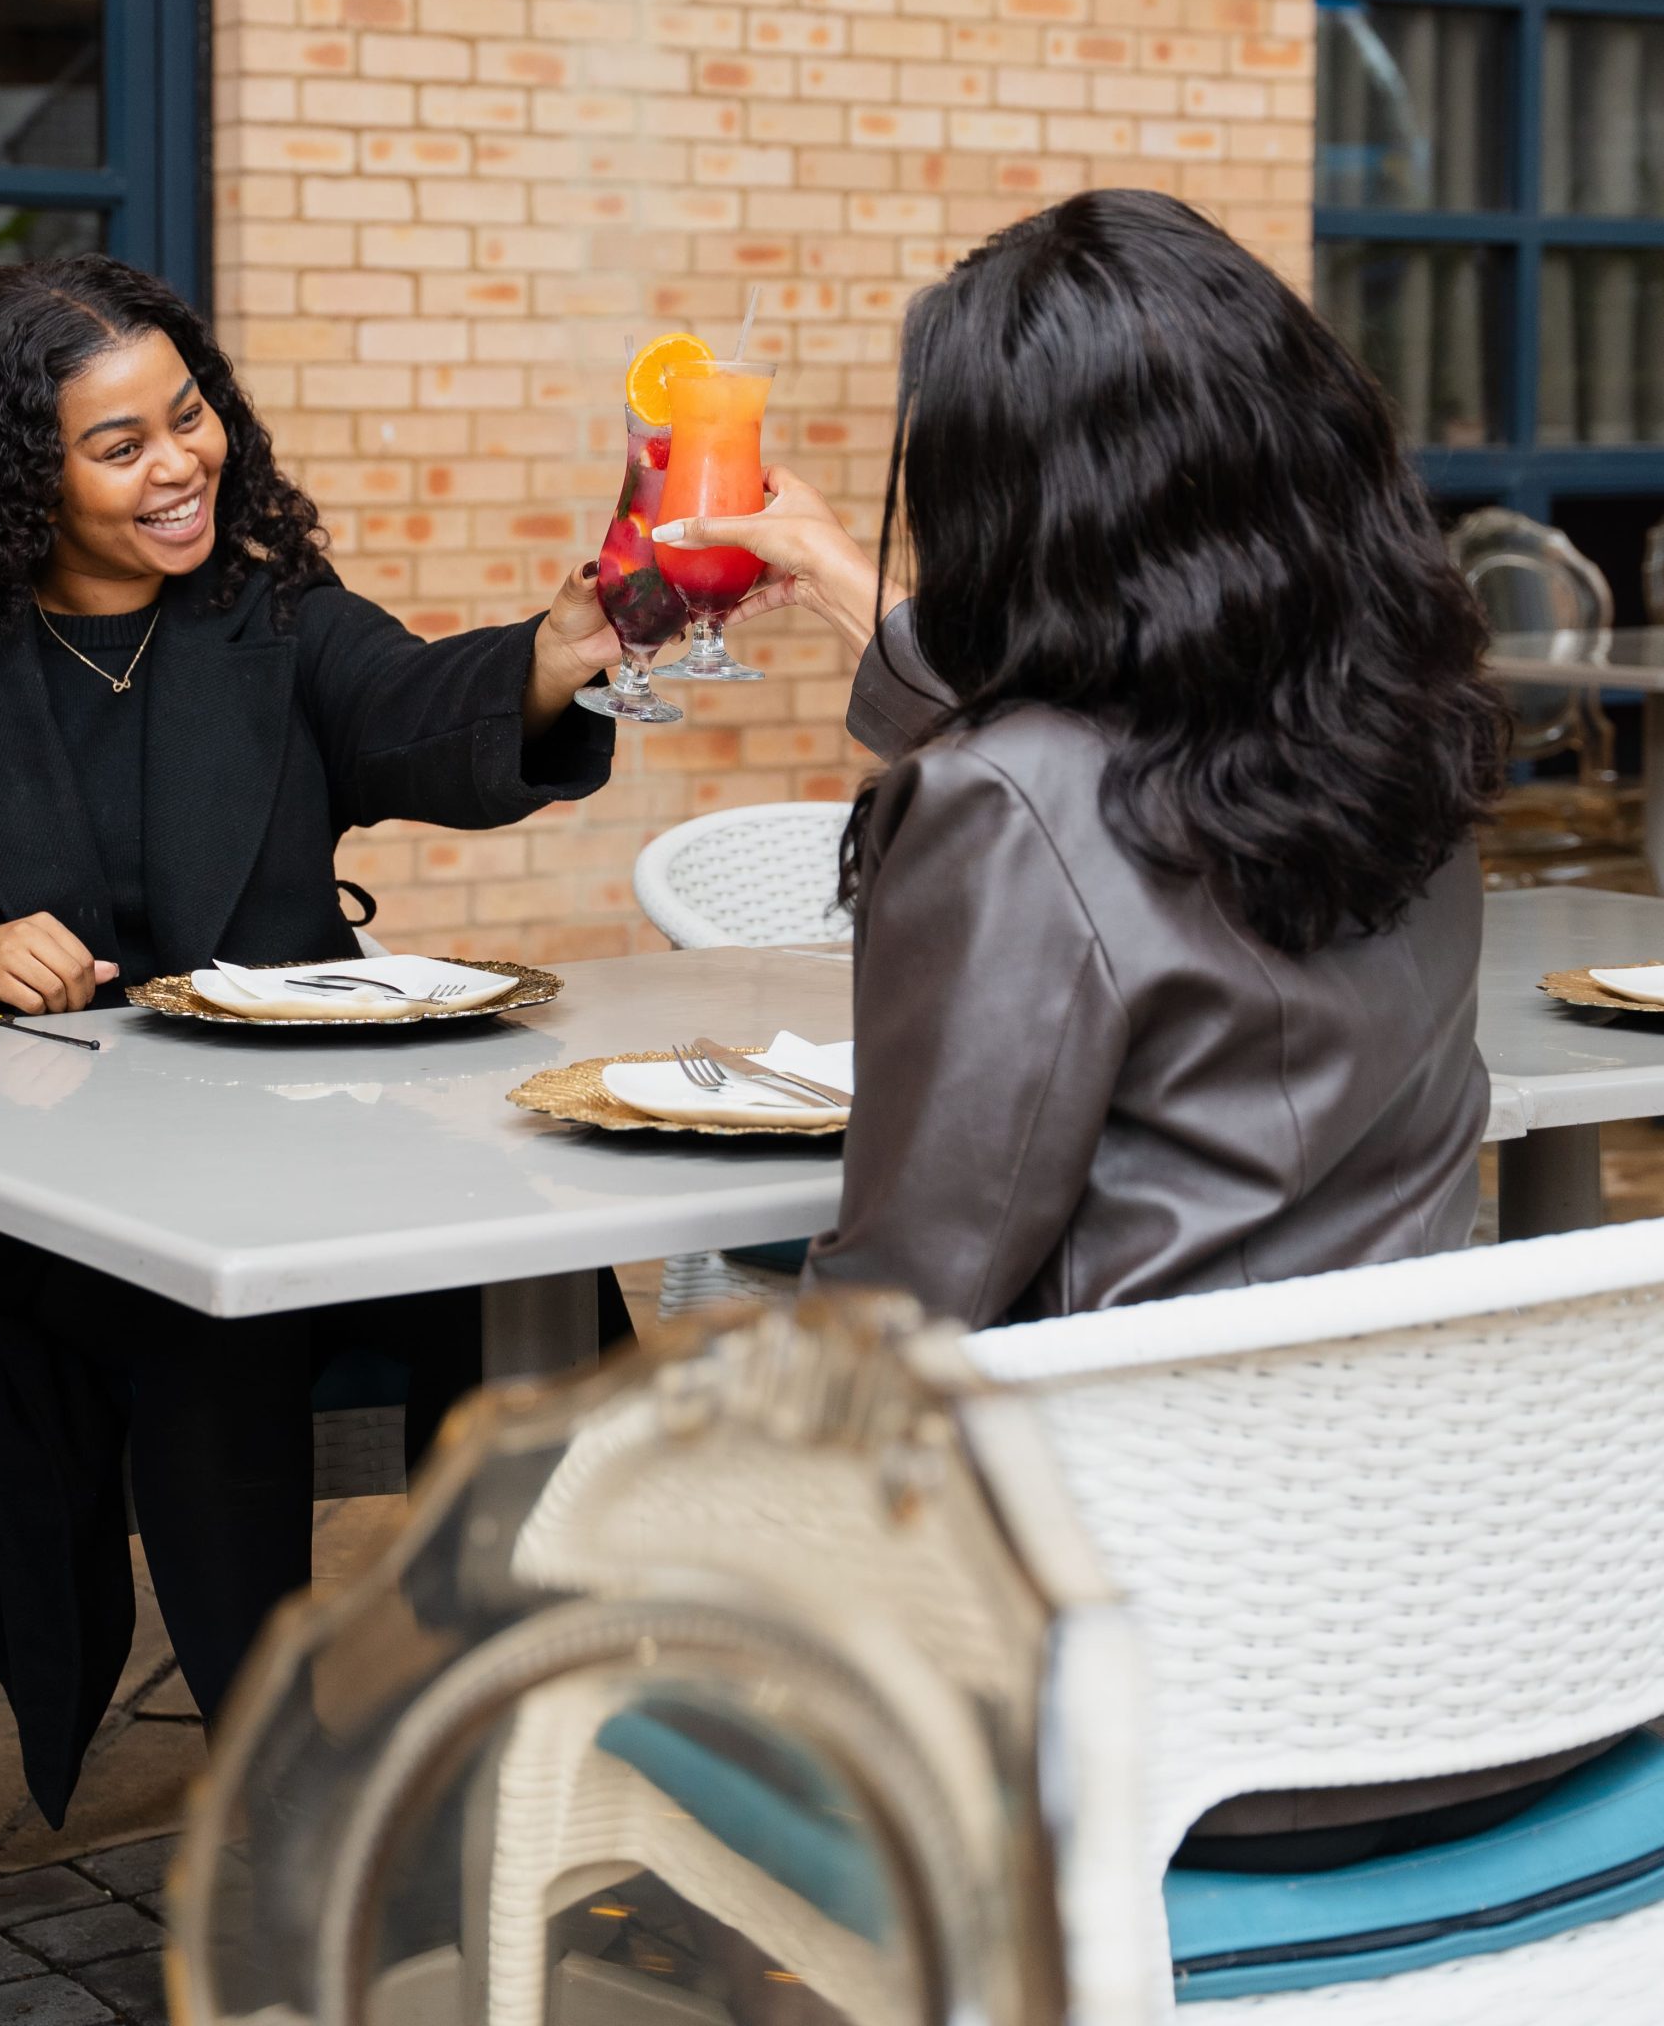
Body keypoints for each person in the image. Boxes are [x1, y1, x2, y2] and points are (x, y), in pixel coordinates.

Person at [654, 191, 1559, 1860]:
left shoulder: (1003, 806)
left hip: (1160, 1700)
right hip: (1464, 1653)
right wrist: (844, 583)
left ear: (1016, 502)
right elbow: (1102, 756)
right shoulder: (1399, 739)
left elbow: (904, 1302)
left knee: (577, 1574)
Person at [0, 253, 623, 1824]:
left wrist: (548, 657)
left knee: (531, 1274)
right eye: (118, 445)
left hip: (300, 1167)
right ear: (18, 475)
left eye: (187, 416)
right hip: (24, 1204)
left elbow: (412, 705)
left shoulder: (272, 620)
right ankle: (287, 1785)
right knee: (208, 1306)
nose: (181, 462)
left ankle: (535, 1711)